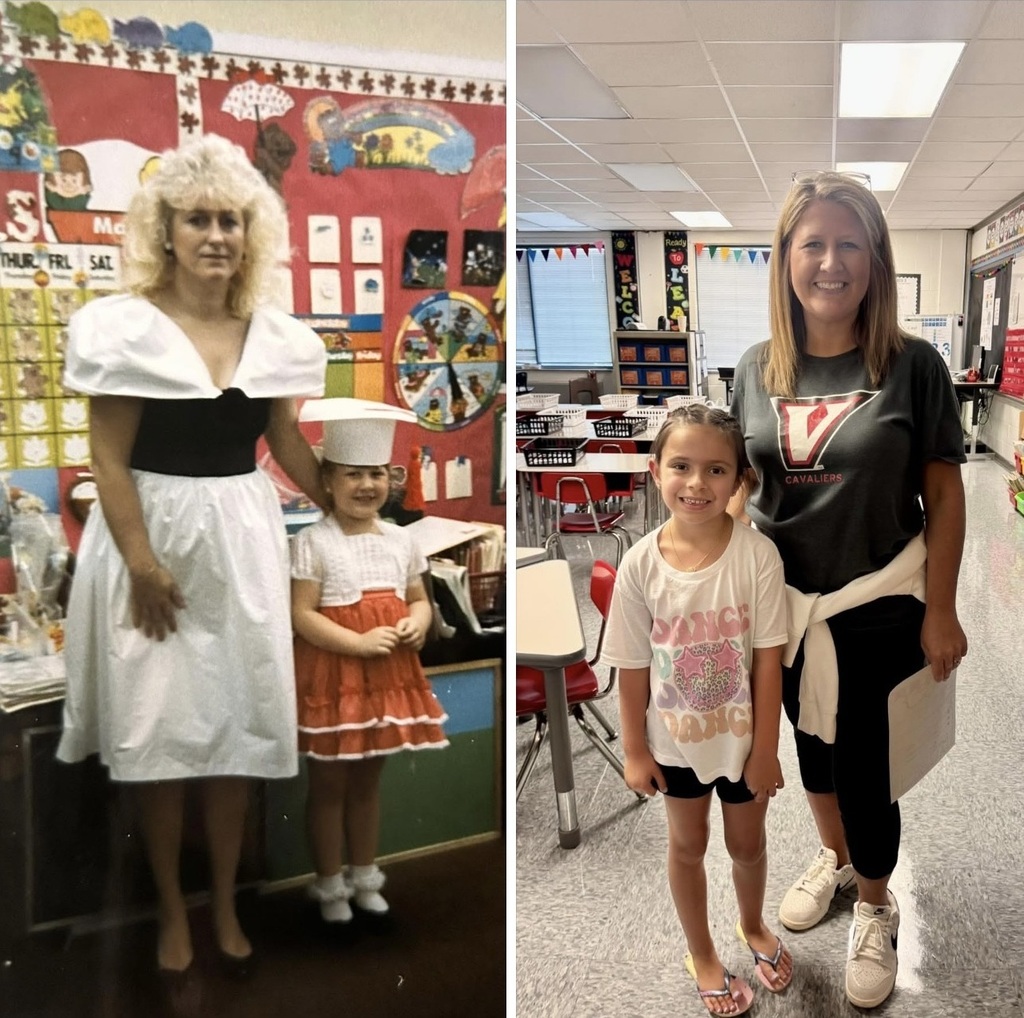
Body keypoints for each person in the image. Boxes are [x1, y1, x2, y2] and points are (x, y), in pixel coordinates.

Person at [56, 133, 329, 982]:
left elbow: (286, 440)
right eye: (197, 219)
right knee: (162, 734)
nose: (216, 234)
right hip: (152, 540)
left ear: (252, 234)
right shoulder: (123, 328)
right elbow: (107, 459)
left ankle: (223, 900)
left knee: (235, 733)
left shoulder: (273, 335)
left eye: (231, 220)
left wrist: (362, 505)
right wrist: (141, 565)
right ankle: (172, 909)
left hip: (240, 540)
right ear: (164, 230)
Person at [730, 170, 968, 1009]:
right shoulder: (758, 368)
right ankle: (836, 861)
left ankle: (876, 903)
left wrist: (941, 609)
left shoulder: (913, 365)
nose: (831, 263)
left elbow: (943, 491)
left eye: (850, 245)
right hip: (786, 613)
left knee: (870, 772)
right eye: (813, 245)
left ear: (876, 259)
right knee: (814, 759)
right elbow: (742, 485)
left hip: (879, 603)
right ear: (785, 260)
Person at [601, 405, 792, 1016]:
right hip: (673, 745)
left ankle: (753, 925)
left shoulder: (757, 558)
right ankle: (701, 951)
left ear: (739, 481)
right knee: (687, 845)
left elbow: (767, 660)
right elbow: (630, 666)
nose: (696, 483)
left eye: (716, 470)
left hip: (741, 745)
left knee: (748, 846)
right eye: (681, 466)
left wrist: (766, 750)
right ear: (655, 471)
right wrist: (633, 750)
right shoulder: (639, 566)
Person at [290, 399, 449, 925]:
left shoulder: (402, 540)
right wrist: (355, 644)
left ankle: (364, 874)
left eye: (376, 474)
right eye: (353, 474)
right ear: (328, 481)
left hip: (386, 677)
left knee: (367, 783)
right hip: (335, 676)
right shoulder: (312, 542)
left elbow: (420, 598)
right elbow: (302, 614)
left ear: (390, 480)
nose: (366, 485)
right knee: (330, 784)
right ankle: (330, 884)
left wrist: (418, 621)